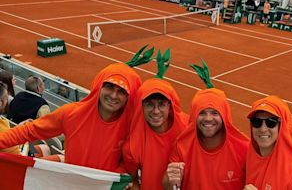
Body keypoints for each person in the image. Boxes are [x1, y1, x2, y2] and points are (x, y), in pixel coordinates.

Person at [0, 46, 153, 172]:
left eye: (121, 91)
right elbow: (28, 131)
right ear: (99, 86)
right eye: (109, 87)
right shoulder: (71, 113)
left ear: (129, 96)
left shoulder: (133, 125)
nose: (113, 95)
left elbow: (132, 163)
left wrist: (121, 175)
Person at [163, 61, 249, 189]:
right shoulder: (182, 145)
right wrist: (169, 181)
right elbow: (168, 185)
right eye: (202, 113)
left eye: (215, 113)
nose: (208, 119)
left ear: (224, 115)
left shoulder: (245, 147)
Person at [123, 49, 188, 189]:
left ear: (170, 107)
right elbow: (133, 181)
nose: (156, 111)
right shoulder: (132, 145)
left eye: (162, 105)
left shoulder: (188, 127)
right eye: (150, 105)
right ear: (142, 107)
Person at [244, 95, 292, 189]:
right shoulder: (249, 157)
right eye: (256, 122)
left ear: (283, 126)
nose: (263, 129)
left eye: (271, 122)